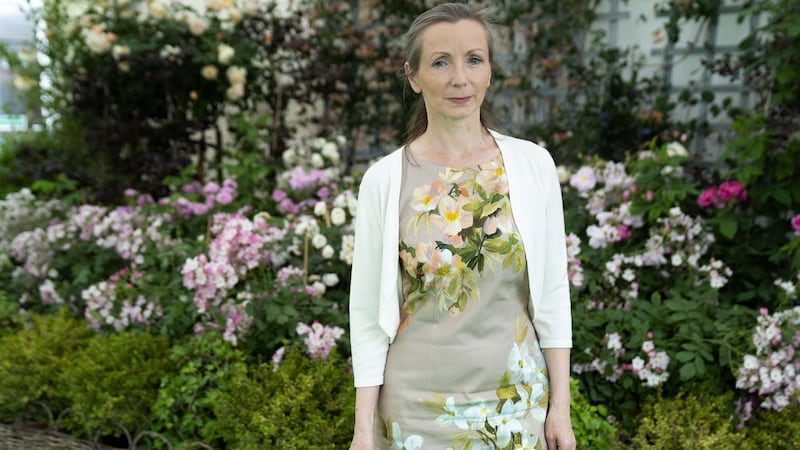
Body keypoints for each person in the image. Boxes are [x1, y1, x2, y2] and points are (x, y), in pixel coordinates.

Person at [348, 3, 575, 449]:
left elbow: (552, 295)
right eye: (440, 62)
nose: (460, 78)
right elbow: (368, 317)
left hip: (516, 405)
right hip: (416, 412)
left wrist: (560, 409)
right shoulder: (385, 179)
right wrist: (362, 432)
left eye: (474, 59)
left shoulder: (533, 165)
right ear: (413, 76)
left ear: (489, 71)